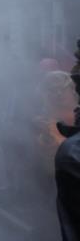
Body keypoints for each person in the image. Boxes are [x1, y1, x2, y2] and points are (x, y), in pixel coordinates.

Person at [47, 71, 80, 240]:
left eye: (61, 89)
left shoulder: (74, 111)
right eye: (52, 90)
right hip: (55, 179)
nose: (57, 93)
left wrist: (63, 144)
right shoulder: (50, 114)